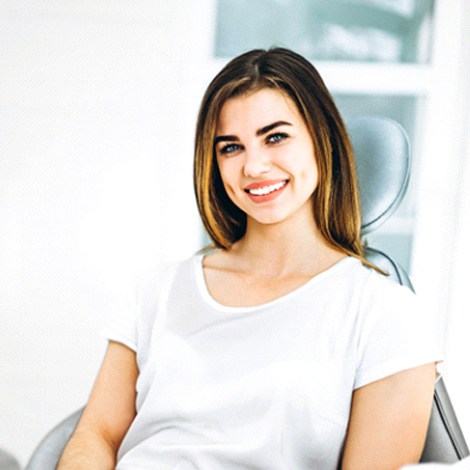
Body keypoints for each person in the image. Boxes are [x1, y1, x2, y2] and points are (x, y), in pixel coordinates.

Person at [58, 47, 442, 469]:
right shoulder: (157, 290)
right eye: (230, 147)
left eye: (275, 137)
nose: (254, 166)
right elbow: (96, 435)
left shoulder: (386, 314)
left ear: (322, 139)